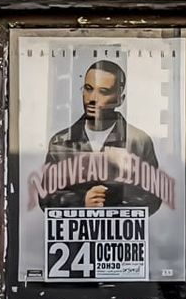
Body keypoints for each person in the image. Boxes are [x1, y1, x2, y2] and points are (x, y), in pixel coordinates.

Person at [40, 60, 161, 212]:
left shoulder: (139, 142)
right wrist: (81, 200)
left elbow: (152, 197)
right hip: (77, 234)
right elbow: (46, 198)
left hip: (120, 234)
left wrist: (111, 199)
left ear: (120, 99)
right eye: (88, 89)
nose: (92, 98)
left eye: (103, 91)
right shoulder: (61, 142)